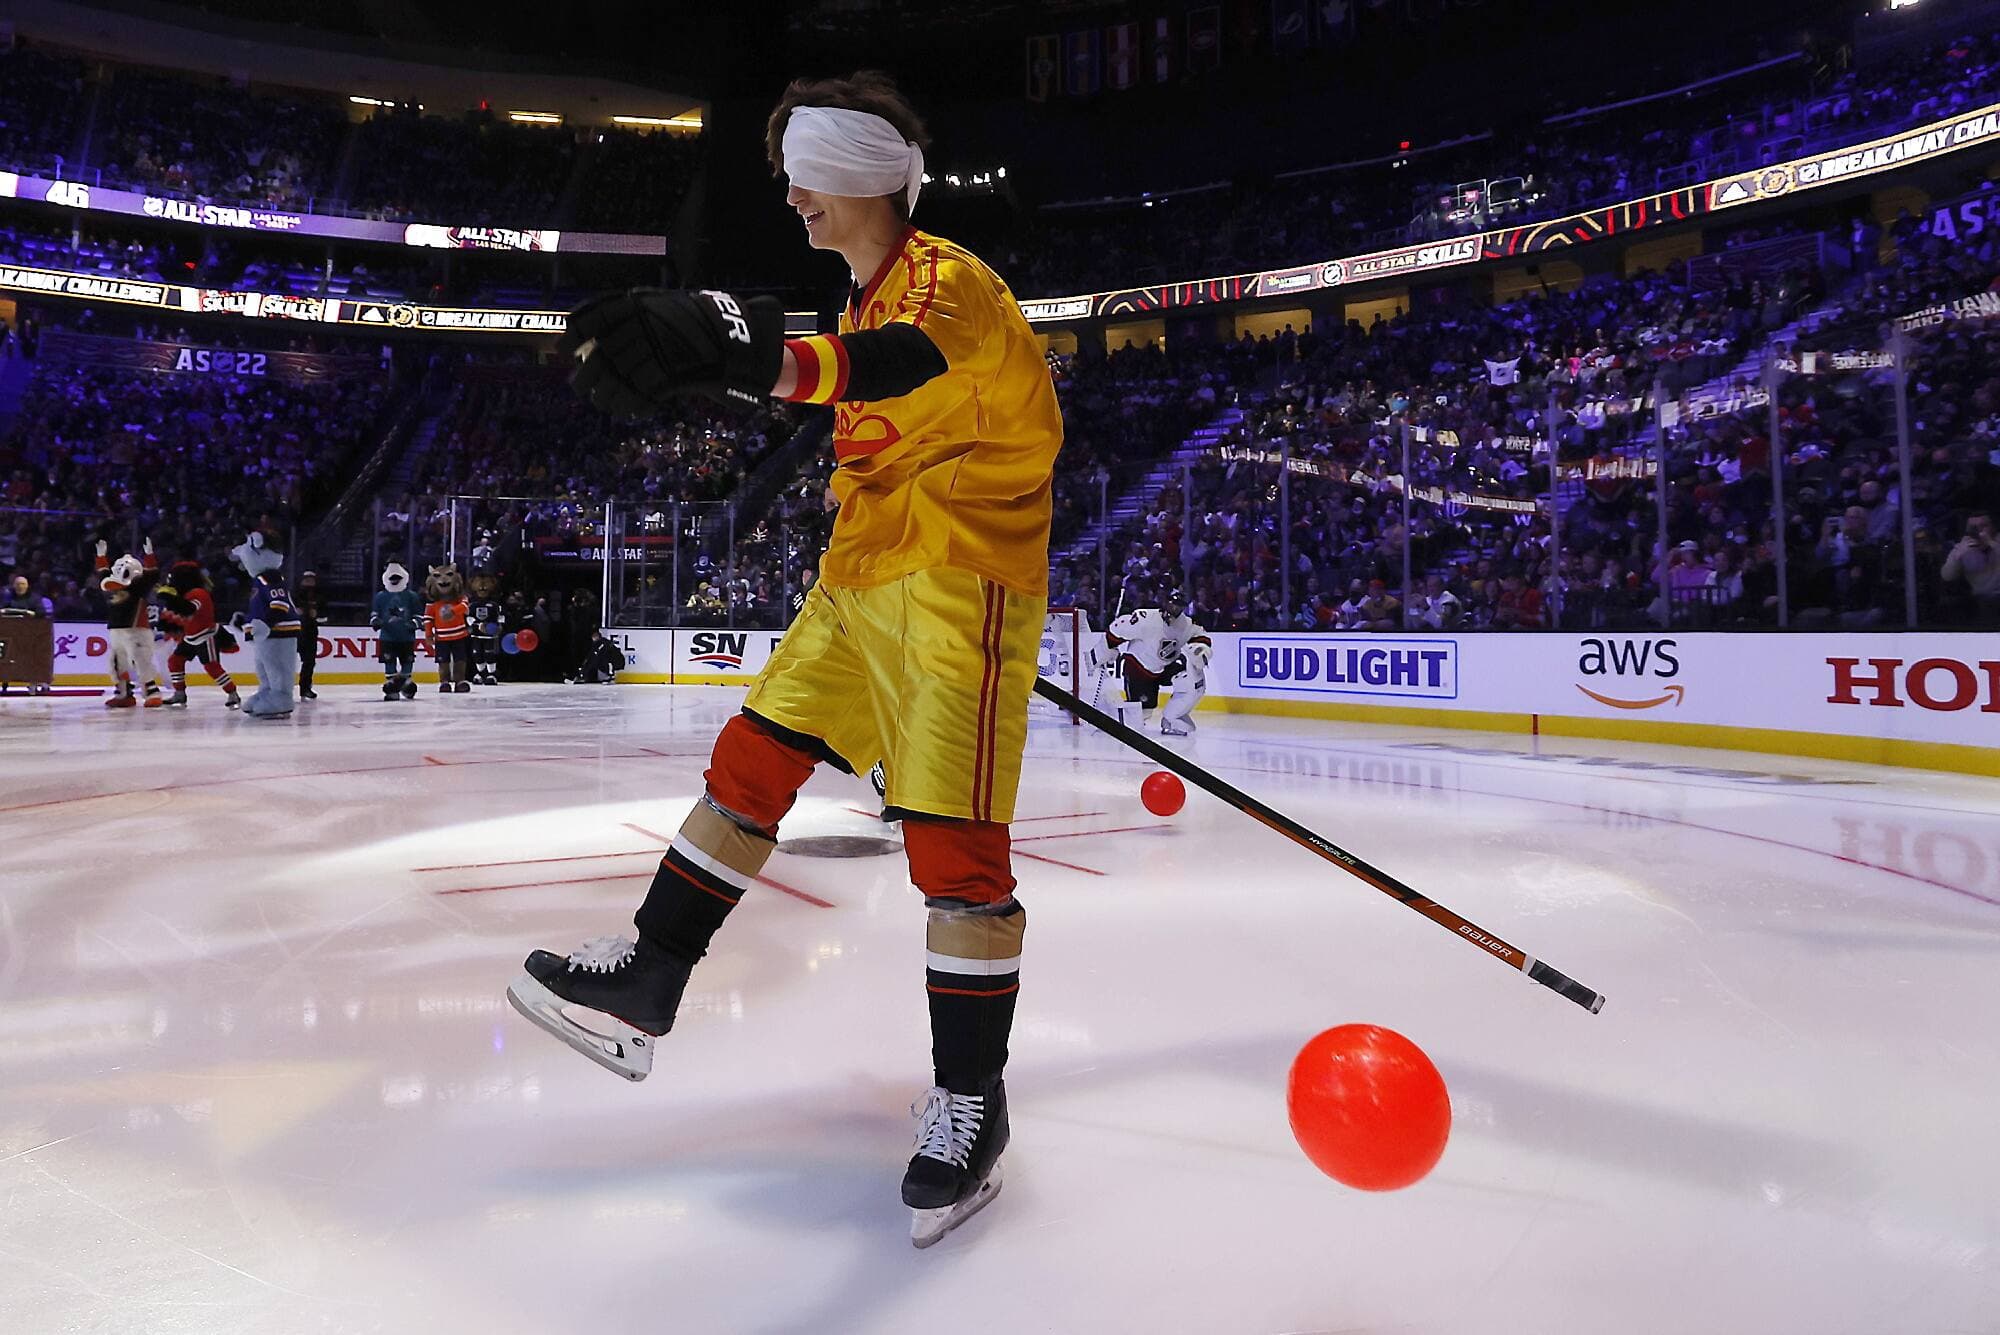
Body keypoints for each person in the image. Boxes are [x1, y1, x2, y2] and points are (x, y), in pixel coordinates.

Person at [508, 72, 1062, 1249]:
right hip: (859, 576)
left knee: (954, 847)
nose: (796, 200)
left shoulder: (950, 283)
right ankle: (650, 971)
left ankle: (972, 1100)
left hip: (960, 579)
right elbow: (844, 361)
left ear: (864, 175)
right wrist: (741, 354)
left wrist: (745, 358)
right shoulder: (857, 304)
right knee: (749, 761)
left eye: (808, 178)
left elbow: (893, 369)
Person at [1097, 590, 1213, 736]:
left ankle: (1172, 719)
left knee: (1192, 681)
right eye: (1172, 604)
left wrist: (1201, 650)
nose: (1174, 609)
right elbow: (1117, 631)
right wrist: (1108, 648)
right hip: (1140, 669)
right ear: (1165, 602)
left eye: (1178, 606)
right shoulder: (1146, 618)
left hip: (1165, 668)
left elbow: (1200, 636)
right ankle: (1105, 715)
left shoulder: (1186, 624)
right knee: (1140, 715)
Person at [157, 559, 240, 709]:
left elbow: (188, 609)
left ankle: (232, 692)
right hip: (190, 636)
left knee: (211, 666)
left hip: (206, 635)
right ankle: (179, 693)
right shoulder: (186, 595)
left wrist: (171, 598)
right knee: (175, 661)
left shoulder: (199, 594)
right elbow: (178, 615)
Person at [94, 538, 165, 708]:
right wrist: (101, 557)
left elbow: (152, 575)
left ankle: (152, 691)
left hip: (136, 630)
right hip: (116, 630)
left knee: (141, 661)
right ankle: (123, 693)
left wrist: (149, 556)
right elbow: (103, 573)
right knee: (117, 662)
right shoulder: (111, 586)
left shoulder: (139, 586)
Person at [233, 568, 301, 719]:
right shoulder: (258, 580)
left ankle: (281, 698)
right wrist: (245, 621)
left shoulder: (269, 578)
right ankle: (267, 692)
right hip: (264, 636)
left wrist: (266, 623)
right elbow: (261, 608)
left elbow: (280, 605)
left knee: (278, 668)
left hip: (279, 631)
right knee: (265, 668)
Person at [371, 563, 422, 700]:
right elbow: (375, 614)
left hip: (406, 638)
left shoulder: (412, 596)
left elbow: (419, 615)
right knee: (389, 661)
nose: (394, 580)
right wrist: (375, 621)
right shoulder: (380, 596)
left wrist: (414, 623)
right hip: (388, 637)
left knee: (407, 661)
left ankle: (406, 683)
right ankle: (392, 685)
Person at [1942, 511, 1999, 626]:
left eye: (1983, 526)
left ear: (1992, 527)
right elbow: (1947, 576)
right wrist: (1957, 557)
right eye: (1973, 527)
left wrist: (1991, 543)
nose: (1978, 530)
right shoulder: (1964, 547)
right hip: (1980, 601)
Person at [295, 571, 322, 699]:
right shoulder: (294, 595)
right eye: (307, 579)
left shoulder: (319, 595)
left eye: (312, 579)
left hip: (310, 631)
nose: (309, 582)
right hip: (295, 631)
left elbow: (323, 611)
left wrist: (317, 615)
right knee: (285, 662)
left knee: (309, 661)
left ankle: (305, 687)